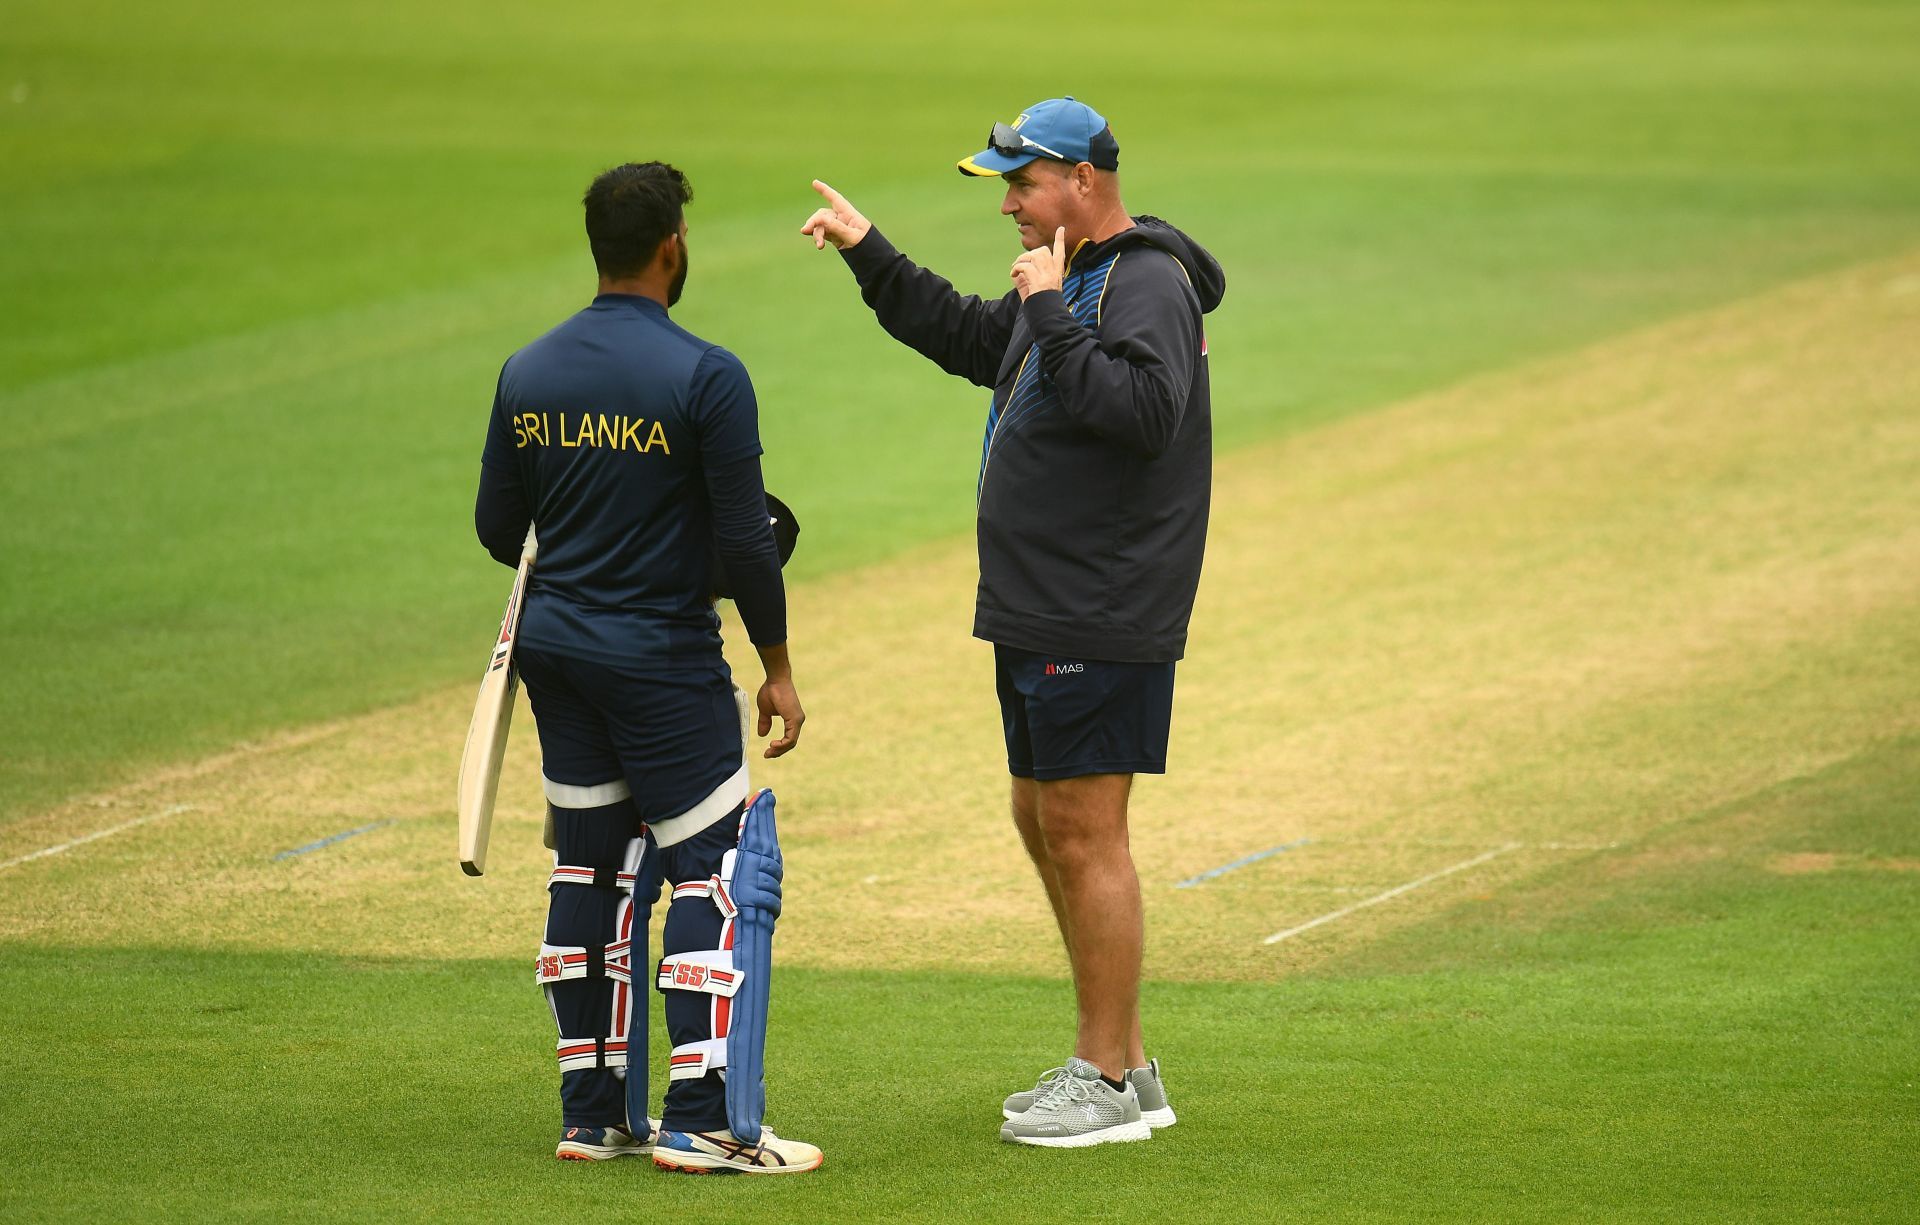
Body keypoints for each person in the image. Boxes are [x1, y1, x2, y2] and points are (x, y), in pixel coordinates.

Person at [802, 97, 1225, 1147]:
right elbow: (962, 333)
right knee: (1041, 821)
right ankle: (1123, 1066)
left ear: (1084, 179)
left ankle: (1105, 1080)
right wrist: (869, 252)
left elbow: (1141, 415)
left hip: (1100, 603)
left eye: (1021, 183)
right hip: (1044, 600)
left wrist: (1046, 312)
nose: (1008, 206)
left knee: (1086, 830)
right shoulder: (1073, 279)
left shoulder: (1146, 283)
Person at [476, 161, 821, 1174]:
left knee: (589, 864)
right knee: (715, 868)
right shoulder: (707, 374)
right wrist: (779, 667)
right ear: (673, 246)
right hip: (664, 659)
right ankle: (702, 1119)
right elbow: (750, 545)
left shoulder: (526, 371)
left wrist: (592, 542)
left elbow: (502, 528)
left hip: (559, 652)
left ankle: (591, 1113)